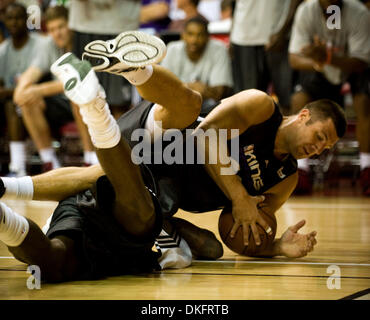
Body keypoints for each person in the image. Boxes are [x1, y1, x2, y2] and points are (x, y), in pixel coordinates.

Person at [2, 31, 342, 276]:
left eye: (326, 147)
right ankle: (133, 68)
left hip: (169, 191)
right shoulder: (261, 107)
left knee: (211, 248)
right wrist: (239, 194)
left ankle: (7, 186)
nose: (318, 147)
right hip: (171, 139)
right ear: (304, 115)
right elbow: (205, 133)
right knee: (188, 106)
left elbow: (243, 226)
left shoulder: (286, 179)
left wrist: (277, 246)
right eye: (320, 135)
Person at [288, 0, 370, 195]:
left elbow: (361, 61)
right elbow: (294, 59)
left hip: (352, 67)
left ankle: (367, 167)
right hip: (320, 69)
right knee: (298, 99)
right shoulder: (306, 11)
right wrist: (320, 62)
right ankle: (301, 167)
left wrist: (328, 58)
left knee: (365, 101)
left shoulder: (359, 13)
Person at [13, 5, 98, 171]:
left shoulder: (84, 43)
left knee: (77, 97)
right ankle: (50, 163)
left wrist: (37, 90)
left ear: (70, 26)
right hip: (60, 102)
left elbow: (77, 81)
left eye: (61, 27)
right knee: (29, 102)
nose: (57, 33)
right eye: (52, 29)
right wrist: (21, 91)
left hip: (89, 97)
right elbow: (32, 73)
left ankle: (90, 159)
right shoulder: (49, 44)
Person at [0, 3, 56, 176]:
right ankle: (17, 168)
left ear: (27, 20)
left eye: (18, 18)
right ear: (4, 21)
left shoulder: (42, 43)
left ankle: (19, 168)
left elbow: (36, 81)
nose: (14, 22)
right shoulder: (3, 51)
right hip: (16, 103)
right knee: (11, 103)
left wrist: (9, 92)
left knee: (15, 101)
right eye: (10, 18)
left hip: (45, 101)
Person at [230, 0, 302, 113]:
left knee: (286, 102)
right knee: (247, 103)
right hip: (243, 37)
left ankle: (286, 130)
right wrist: (232, 32)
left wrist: (282, 32)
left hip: (277, 37)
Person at [161, 16, 233, 114]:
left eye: (200, 35)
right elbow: (162, 87)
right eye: (190, 34)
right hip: (176, 106)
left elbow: (220, 93)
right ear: (183, 35)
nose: (194, 40)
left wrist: (180, 88)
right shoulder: (172, 49)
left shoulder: (219, 49)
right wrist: (194, 88)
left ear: (208, 37)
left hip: (208, 109)